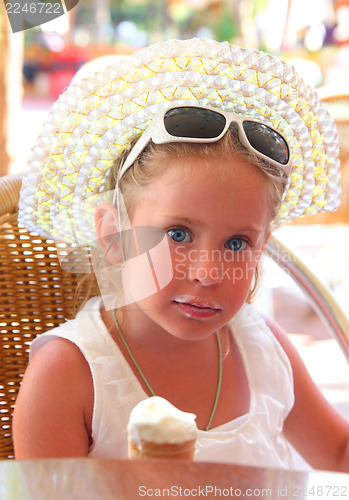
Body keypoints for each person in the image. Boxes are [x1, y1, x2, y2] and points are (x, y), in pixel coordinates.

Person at [13, 38, 349, 471]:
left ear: (262, 245)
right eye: (178, 233)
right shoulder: (69, 376)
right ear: (115, 235)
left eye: (236, 243)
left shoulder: (262, 348)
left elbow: (338, 453)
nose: (209, 272)